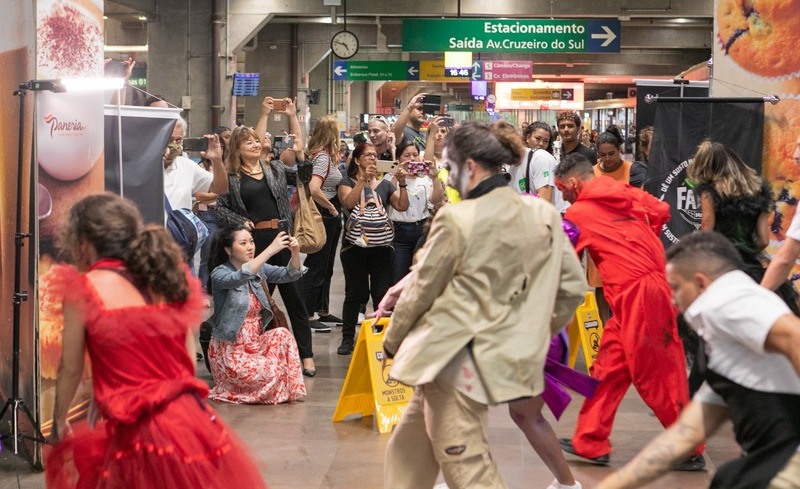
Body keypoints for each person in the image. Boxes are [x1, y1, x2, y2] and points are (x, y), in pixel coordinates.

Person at [383, 121, 588, 489]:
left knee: (467, 465)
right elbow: (573, 287)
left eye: (450, 167)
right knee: (409, 446)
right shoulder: (542, 215)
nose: (447, 175)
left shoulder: (457, 218)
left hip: (453, 357)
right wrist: (530, 329)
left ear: (471, 167)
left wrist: (391, 341)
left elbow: (422, 292)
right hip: (500, 356)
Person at [46, 193, 266, 489]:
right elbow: (187, 363)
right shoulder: (165, 279)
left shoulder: (84, 289)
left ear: (83, 243)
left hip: (140, 429)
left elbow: (70, 369)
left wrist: (59, 422)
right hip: (191, 422)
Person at [598, 232, 800, 489]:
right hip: (767, 463)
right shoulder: (727, 337)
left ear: (701, 282)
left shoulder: (727, 303)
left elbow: (795, 338)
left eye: (675, 287)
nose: (671, 298)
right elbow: (685, 436)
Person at [553, 154, 704, 471]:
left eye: (563, 189)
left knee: (659, 374)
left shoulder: (580, 212)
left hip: (637, 294)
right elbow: (661, 210)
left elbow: (562, 261)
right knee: (608, 368)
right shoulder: (620, 192)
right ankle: (590, 441)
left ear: (576, 183)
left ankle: (689, 448)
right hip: (640, 290)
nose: (562, 195)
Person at [215, 110, 317, 377]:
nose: (255, 144)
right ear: (237, 148)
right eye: (248, 142)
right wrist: (239, 220)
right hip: (254, 244)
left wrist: (301, 154)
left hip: (281, 238)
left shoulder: (274, 168)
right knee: (258, 302)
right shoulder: (231, 177)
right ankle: (257, 353)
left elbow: (303, 178)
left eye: (256, 141)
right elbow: (220, 208)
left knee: (296, 297)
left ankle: (306, 355)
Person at [688, 140, 799, 314]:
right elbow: (763, 240)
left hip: (721, 269)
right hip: (752, 270)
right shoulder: (759, 190)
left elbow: (706, 228)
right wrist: (744, 250)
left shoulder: (709, 191)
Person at [206, 226, 306, 404]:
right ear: (228, 250)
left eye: (251, 242)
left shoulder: (260, 269)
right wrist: (270, 250)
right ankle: (261, 387)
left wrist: (295, 252)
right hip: (230, 351)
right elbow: (240, 276)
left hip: (255, 344)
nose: (250, 247)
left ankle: (274, 388)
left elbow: (290, 274)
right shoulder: (219, 273)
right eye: (243, 243)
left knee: (283, 335)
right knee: (271, 370)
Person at [336, 142, 408, 355]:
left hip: (381, 247)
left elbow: (402, 206)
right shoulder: (346, 181)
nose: (372, 159)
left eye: (375, 156)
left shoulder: (385, 184)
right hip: (354, 248)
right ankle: (347, 338)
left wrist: (402, 185)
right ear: (357, 160)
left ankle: (381, 335)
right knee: (355, 293)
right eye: (367, 155)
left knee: (380, 293)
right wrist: (363, 181)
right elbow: (348, 203)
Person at [303, 115, 345, 332]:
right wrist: (330, 207)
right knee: (317, 264)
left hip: (328, 211)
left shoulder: (326, 156)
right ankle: (308, 314)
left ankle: (322, 309)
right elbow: (314, 187)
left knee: (327, 264)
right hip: (323, 211)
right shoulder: (322, 158)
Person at [385, 139, 443, 285]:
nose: (411, 159)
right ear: (398, 158)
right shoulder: (390, 178)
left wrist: (435, 177)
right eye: (406, 155)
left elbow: (435, 199)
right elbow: (386, 195)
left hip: (421, 230)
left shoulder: (425, 179)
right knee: (398, 277)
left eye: (415, 154)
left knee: (420, 277)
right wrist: (396, 175)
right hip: (399, 232)